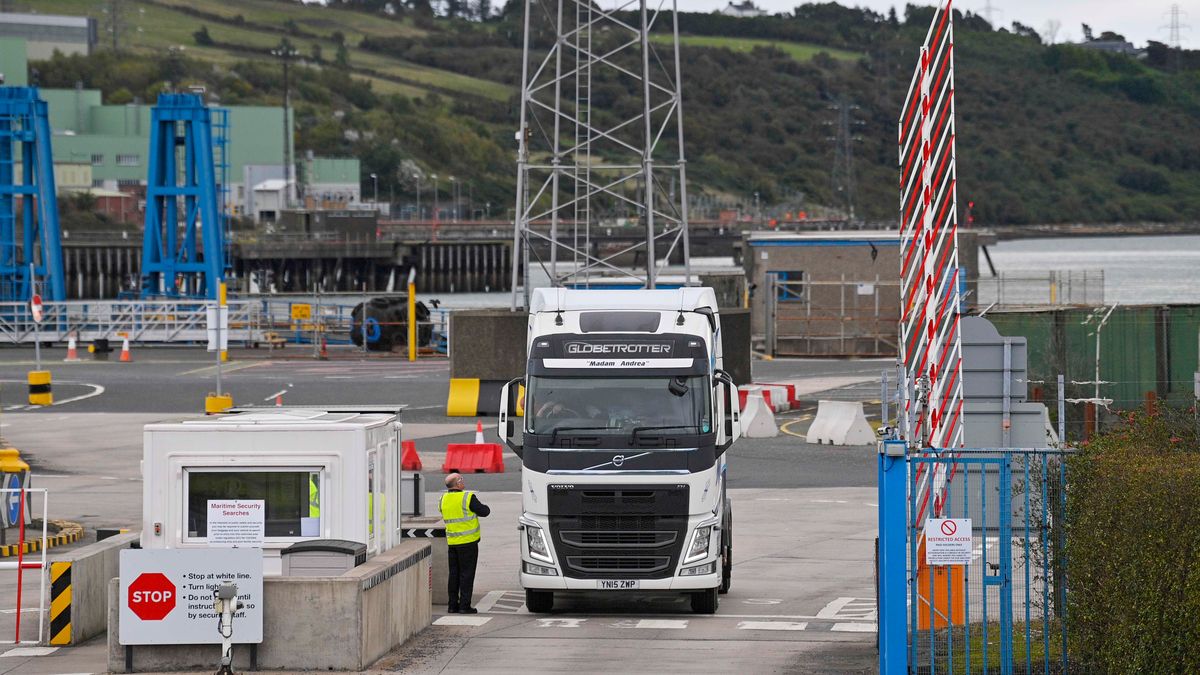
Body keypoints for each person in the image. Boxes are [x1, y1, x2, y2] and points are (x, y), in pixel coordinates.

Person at [439, 472, 491, 614]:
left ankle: (452, 605)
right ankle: (464, 606)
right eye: (461, 479)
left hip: (452, 542)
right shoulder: (467, 497)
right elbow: (485, 511)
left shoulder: (443, 499)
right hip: (468, 543)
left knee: (454, 574)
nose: (463, 481)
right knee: (467, 574)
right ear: (458, 483)